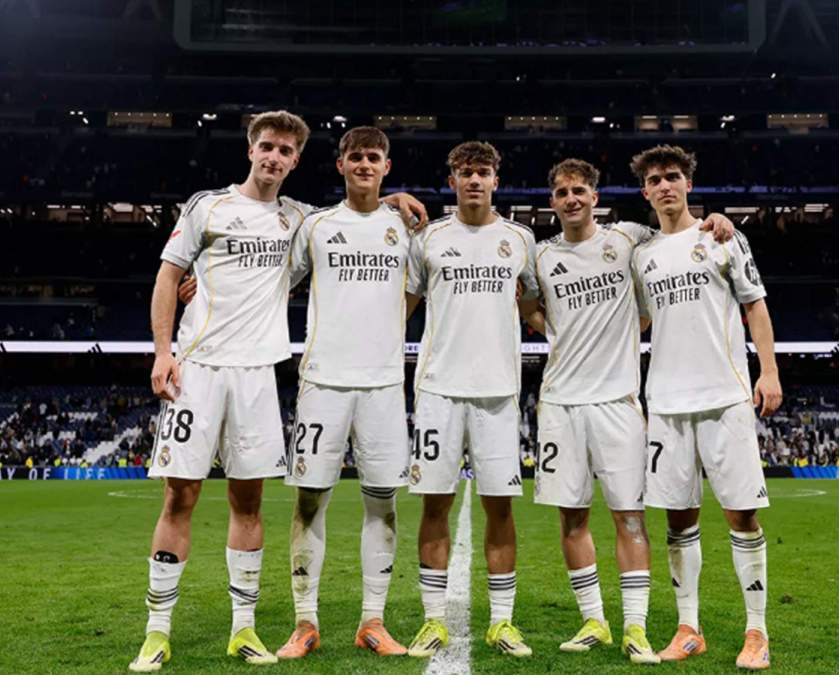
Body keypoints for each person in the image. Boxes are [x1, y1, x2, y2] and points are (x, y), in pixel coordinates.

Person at [132, 111, 425, 673]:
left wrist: (395, 198)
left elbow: (356, 213)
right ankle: (156, 631)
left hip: (259, 374)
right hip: (197, 367)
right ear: (251, 149)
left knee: (250, 502)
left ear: (296, 161)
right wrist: (163, 351)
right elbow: (169, 276)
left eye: (286, 151)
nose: (275, 157)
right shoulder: (206, 206)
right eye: (267, 146)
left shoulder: (300, 219)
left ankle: (243, 630)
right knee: (179, 497)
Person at [522, 158, 734, 664]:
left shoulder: (627, 239)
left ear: (596, 197)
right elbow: (524, 300)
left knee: (630, 517)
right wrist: (548, 327)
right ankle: (594, 619)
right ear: (552, 202)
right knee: (571, 517)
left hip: (618, 402)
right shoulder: (542, 254)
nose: (571, 198)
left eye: (580, 190)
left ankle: (635, 627)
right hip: (559, 402)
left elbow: (680, 231)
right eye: (561, 192)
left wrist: (717, 220)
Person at [630, 145, 782, 670]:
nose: (665, 185)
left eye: (673, 176)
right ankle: (688, 628)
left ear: (688, 184)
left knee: (742, 514)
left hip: (725, 397)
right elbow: (640, 322)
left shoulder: (722, 236)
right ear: (645, 192)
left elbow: (755, 304)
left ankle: (756, 631)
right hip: (667, 402)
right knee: (679, 519)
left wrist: (770, 371)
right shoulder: (642, 255)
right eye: (655, 179)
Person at [272, 126, 415, 659]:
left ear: (386, 166)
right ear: (340, 165)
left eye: (373, 157)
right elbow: (273, 280)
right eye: (355, 157)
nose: (364, 165)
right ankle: (304, 622)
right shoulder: (316, 226)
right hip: (323, 383)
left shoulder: (405, 228)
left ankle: (371, 621)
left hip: (382, 384)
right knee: (310, 500)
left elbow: (423, 285)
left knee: (383, 503)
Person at [403, 141, 539, 658]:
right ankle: (433, 620)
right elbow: (403, 305)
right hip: (438, 389)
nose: (474, 181)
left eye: (483, 172)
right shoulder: (430, 238)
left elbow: (533, 307)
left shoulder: (519, 239)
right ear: (452, 180)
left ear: (496, 180)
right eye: (465, 173)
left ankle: (502, 623)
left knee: (499, 508)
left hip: (499, 395)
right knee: (434, 506)